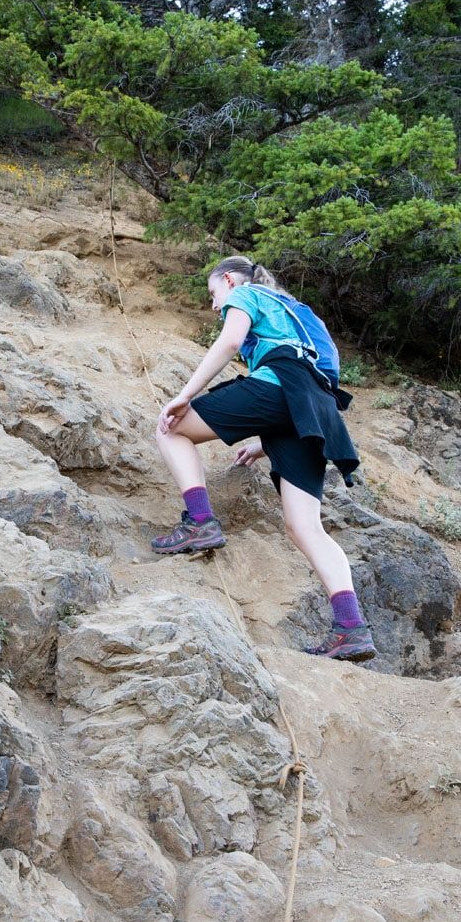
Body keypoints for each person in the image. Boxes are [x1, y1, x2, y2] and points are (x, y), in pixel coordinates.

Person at [151, 255, 377, 663]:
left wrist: (185, 394)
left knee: (171, 429)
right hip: (316, 410)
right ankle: (351, 628)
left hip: (277, 387)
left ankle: (199, 522)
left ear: (229, 281)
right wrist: (268, 439)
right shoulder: (305, 315)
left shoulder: (249, 294)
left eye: (213, 294)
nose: (214, 305)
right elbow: (325, 374)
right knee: (306, 527)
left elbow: (232, 341)